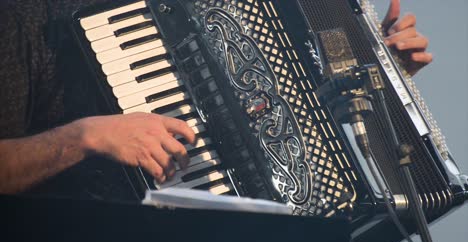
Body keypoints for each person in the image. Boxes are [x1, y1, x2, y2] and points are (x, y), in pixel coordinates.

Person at [0, 0, 432, 195]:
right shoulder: (27, 16)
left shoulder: (258, 11)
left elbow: (298, 155)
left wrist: (375, 81)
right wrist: (83, 138)